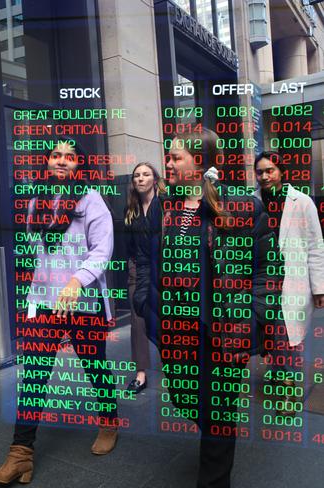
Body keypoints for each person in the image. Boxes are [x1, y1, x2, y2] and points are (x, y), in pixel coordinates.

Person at [134, 128, 281, 488]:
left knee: (217, 413)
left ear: (198, 163)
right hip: (176, 331)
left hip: (223, 330)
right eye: (168, 157)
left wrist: (252, 318)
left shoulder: (241, 206)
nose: (166, 163)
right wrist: (143, 300)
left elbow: (266, 269)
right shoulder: (163, 210)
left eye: (174, 157)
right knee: (185, 398)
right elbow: (143, 260)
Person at [0, 140, 120, 484]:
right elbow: (34, 247)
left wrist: (76, 280)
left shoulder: (91, 199)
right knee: (34, 375)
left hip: (83, 302)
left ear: (79, 164)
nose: (62, 161)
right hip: (44, 302)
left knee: (94, 366)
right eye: (56, 156)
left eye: (69, 157)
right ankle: (20, 454)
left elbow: (102, 250)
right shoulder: (35, 201)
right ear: (47, 162)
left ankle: (109, 420)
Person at [254, 151, 324, 413]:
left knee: (287, 337)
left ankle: (291, 393)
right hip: (262, 282)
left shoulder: (302, 202)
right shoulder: (252, 202)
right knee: (271, 334)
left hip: (292, 281)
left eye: (270, 170)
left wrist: (319, 287)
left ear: (281, 171)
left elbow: (316, 246)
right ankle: (278, 372)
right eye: (260, 171)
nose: (264, 176)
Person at [123, 162, 166, 393]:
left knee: (166, 320)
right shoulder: (130, 210)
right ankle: (140, 373)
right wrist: (132, 268)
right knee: (137, 322)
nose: (140, 179)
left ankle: (174, 366)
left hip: (164, 271)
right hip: (137, 271)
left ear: (154, 179)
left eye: (146, 174)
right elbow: (129, 246)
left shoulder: (166, 204)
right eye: (136, 175)